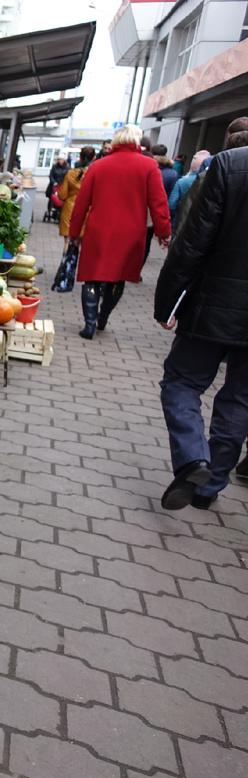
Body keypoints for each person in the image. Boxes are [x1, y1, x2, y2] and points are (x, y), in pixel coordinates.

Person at [154, 125, 248, 510]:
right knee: (240, 399)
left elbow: (192, 242)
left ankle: (194, 459)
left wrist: (168, 303)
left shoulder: (230, 165)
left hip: (214, 304)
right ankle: (209, 488)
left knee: (181, 382)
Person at [67, 124, 171, 339]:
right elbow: (159, 203)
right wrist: (164, 232)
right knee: (118, 277)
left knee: (92, 276)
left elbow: (81, 204)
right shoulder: (149, 166)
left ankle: (89, 323)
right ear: (137, 141)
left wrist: (74, 233)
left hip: (99, 230)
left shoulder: (98, 166)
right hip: (131, 232)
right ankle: (103, 317)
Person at [56, 146, 95, 249]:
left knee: (68, 243)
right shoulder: (94, 174)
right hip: (87, 212)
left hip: (69, 210)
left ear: (80, 157)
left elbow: (62, 195)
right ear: (94, 158)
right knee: (84, 246)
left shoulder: (70, 173)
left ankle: (66, 264)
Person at [168, 150, 211, 229]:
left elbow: (171, 205)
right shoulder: (210, 183)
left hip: (177, 224)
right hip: (197, 227)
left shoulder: (182, 182)